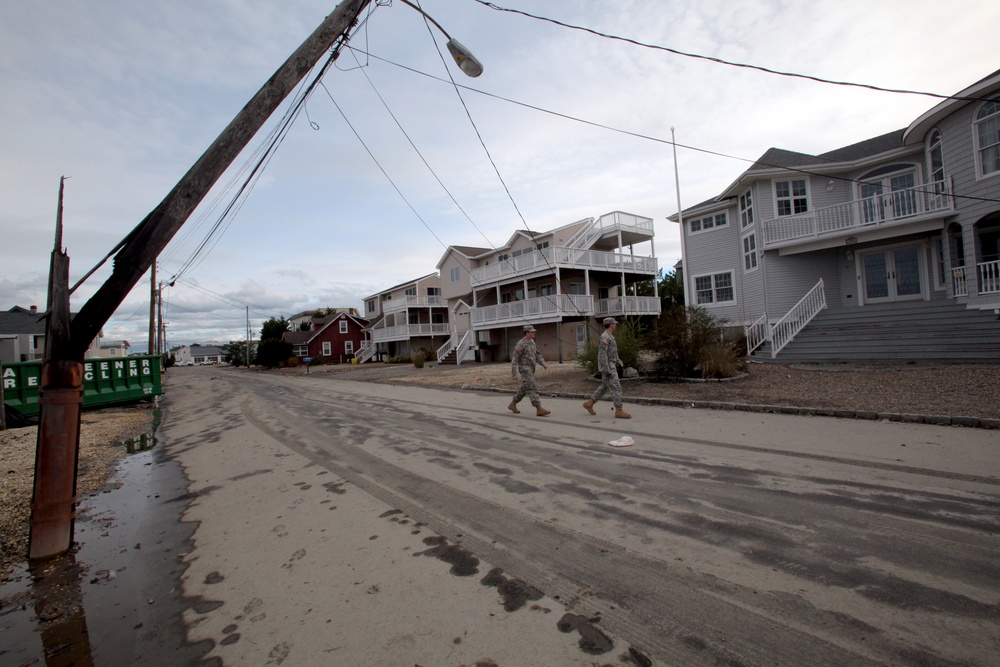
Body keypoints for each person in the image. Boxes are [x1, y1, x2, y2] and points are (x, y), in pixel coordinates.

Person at [583, 317, 631, 419]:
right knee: (616, 387)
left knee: (604, 386)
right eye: (614, 324)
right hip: (608, 366)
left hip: (611, 363)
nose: (616, 325)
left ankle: (590, 403)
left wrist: (618, 360)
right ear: (611, 325)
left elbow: (612, 352)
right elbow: (602, 354)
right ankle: (619, 410)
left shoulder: (610, 336)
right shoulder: (605, 337)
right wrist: (605, 369)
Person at [509, 324, 551, 416]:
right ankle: (538, 408)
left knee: (524, 388)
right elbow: (514, 360)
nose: (534, 333)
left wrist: (543, 364)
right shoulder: (520, 344)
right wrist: (514, 373)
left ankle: (513, 404)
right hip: (525, 369)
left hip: (532, 368)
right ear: (527, 333)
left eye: (534, 332)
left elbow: (538, 355)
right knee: (532, 387)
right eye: (532, 332)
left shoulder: (532, 342)